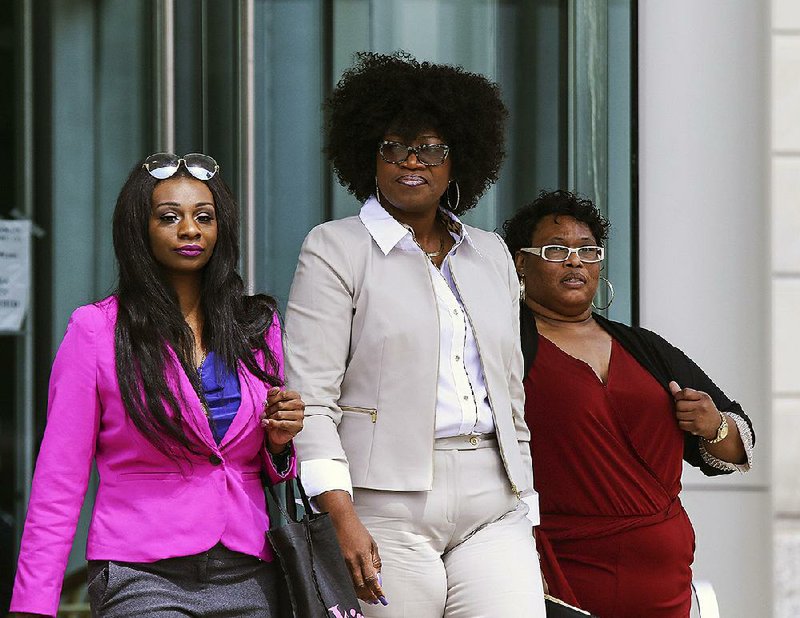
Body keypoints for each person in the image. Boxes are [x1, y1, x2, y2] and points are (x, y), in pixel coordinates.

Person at [283, 52, 546, 617]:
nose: (412, 162)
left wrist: (526, 498)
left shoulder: (492, 253)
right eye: (394, 147)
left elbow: (509, 385)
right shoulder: (334, 249)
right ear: (368, 157)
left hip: (492, 501)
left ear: (458, 161)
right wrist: (340, 514)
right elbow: (310, 398)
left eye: (430, 149)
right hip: (384, 506)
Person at [9, 153, 304, 618]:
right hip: (142, 572)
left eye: (203, 217)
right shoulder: (96, 331)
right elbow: (59, 481)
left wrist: (280, 443)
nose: (190, 230)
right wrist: (34, 605)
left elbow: (254, 458)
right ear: (138, 229)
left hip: (249, 569)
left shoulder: (256, 325)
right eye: (170, 217)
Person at [503, 189, 755, 618]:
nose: (575, 261)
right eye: (556, 249)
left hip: (663, 579)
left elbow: (737, 446)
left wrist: (714, 425)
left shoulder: (644, 348)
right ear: (521, 262)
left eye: (588, 250)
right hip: (562, 573)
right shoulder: (505, 347)